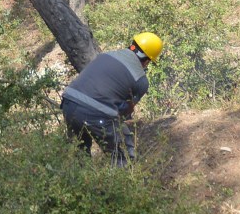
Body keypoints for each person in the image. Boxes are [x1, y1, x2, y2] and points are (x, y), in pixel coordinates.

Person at [60, 32, 163, 164]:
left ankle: (80, 182)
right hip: (95, 114)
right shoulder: (141, 80)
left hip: (69, 102)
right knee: (123, 155)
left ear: (132, 45)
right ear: (148, 60)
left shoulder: (105, 55)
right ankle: (122, 182)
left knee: (79, 155)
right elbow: (125, 110)